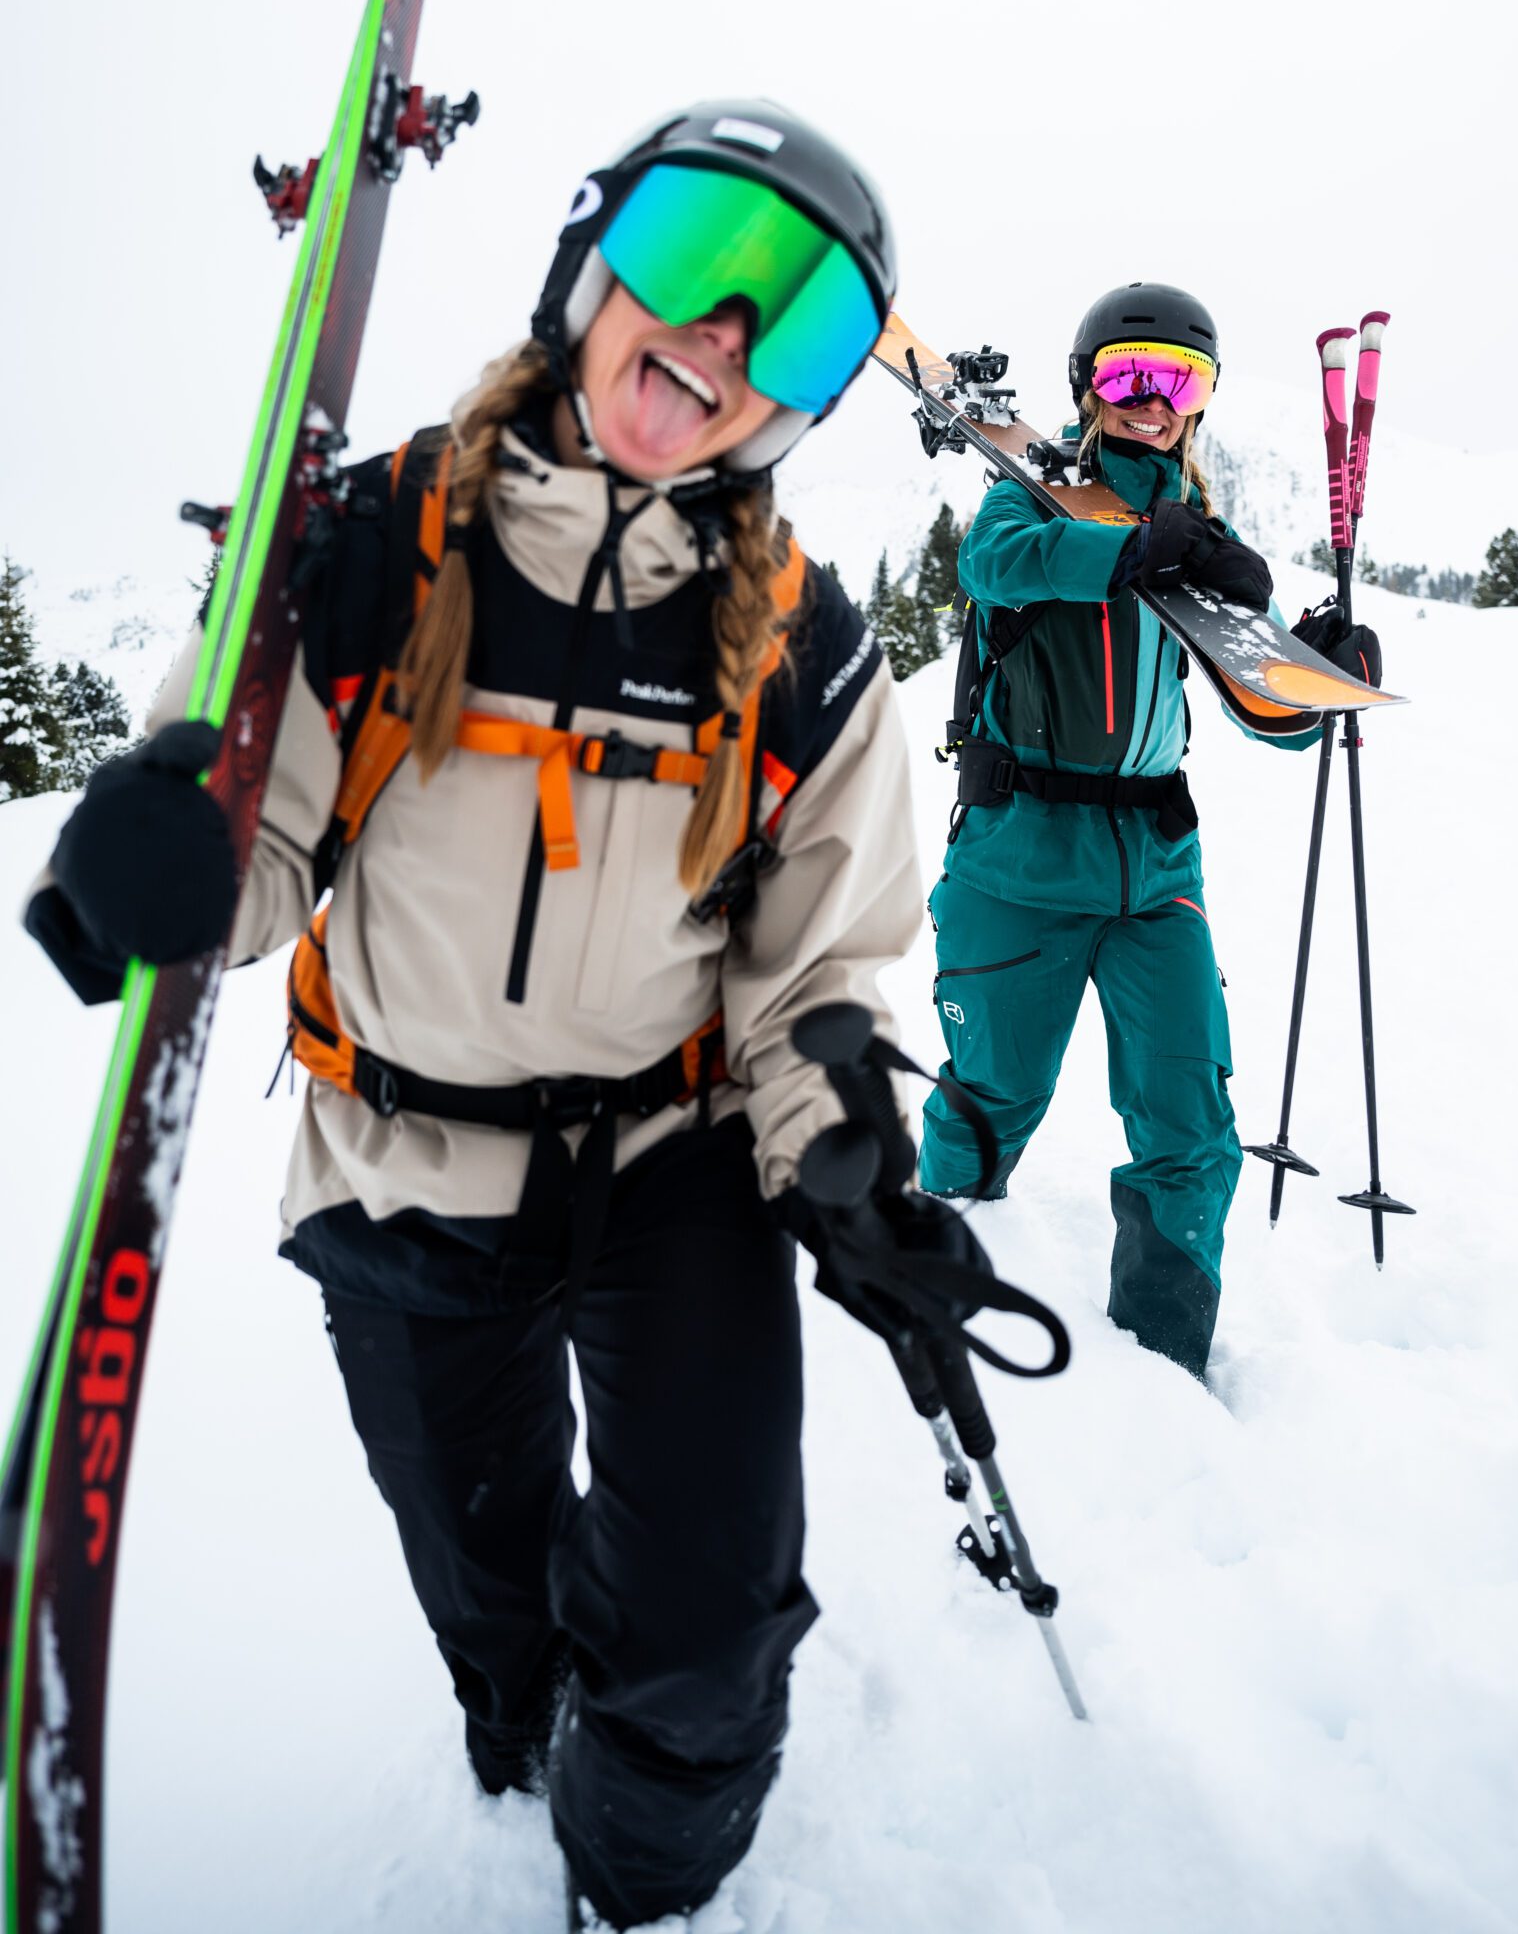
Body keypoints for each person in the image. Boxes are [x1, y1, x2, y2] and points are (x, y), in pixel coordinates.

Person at [26, 101, 984, 1933]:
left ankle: (637, 1882)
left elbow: (820, 969)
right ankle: (522, 1734)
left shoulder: (797, 639)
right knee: (491, 1596)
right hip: (403, 1164)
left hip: (670, 1162)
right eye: (700, 265)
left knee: (705, 1628)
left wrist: (845, 1150)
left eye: (786, 330)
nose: (715, 345)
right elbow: (257, 845)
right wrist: (161, 854)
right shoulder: (378, 547)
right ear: (592, 258)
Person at [915, 282, 1380, 1380]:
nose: (1149, 399)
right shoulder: (1032, 496)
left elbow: (1261, 711)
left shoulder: (1200, 537)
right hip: (1017, 860)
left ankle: (1160, 1372)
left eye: (1177, 379)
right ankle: (927, 1300)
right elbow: (995, 567)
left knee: (1190, 1128)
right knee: (991, 1095)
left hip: (1154, 873)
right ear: (1086, 386)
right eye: (1126, 374)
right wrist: (1127, 554)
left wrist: (1318, 680)